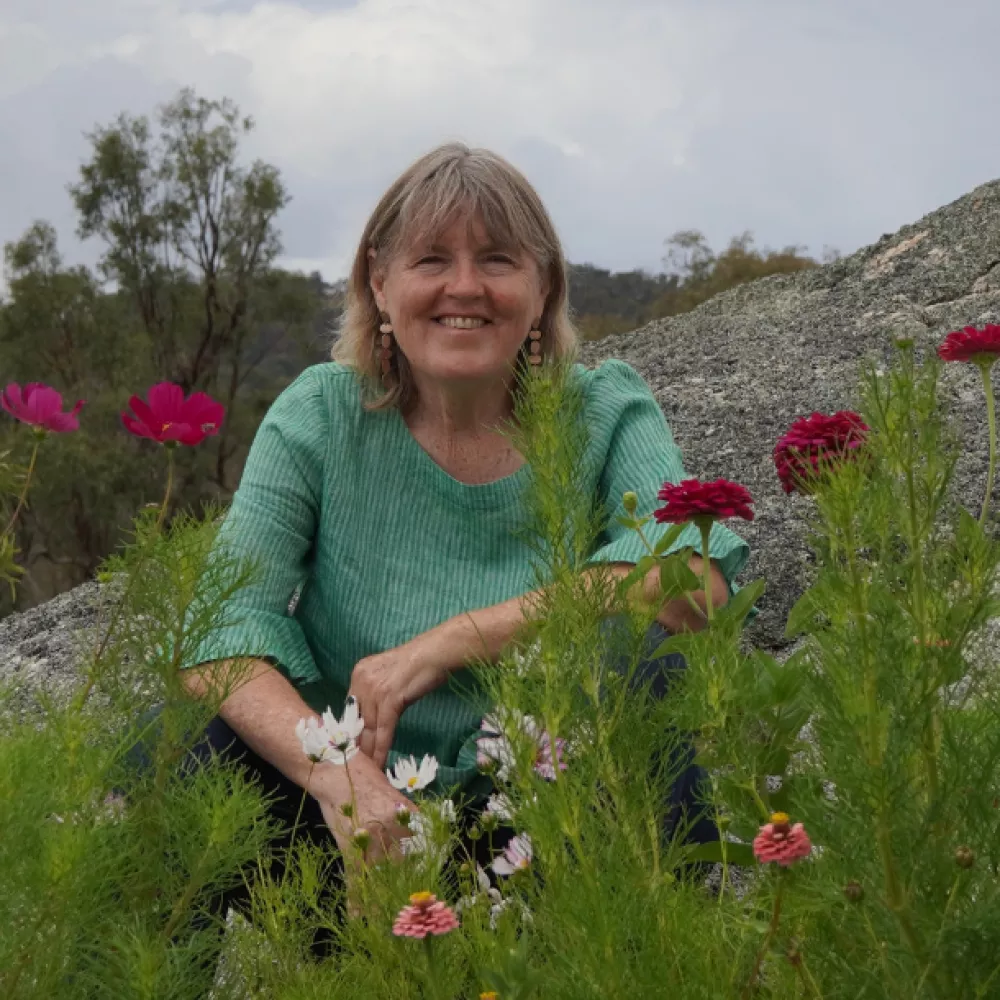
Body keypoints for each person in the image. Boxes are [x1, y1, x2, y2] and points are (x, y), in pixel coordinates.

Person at [174, 142, 750, 912]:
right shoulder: (318, 416)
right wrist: (338, 775)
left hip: (555, 815)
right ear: (378, 283)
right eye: (431, 260)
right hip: (354, 834)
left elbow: (692, 583)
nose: (465, 287)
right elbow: (218, 631)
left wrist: (457, 639)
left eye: (500, 260)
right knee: (189, 741)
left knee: (654, 663)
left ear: (543, 287)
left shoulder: (606, 410)